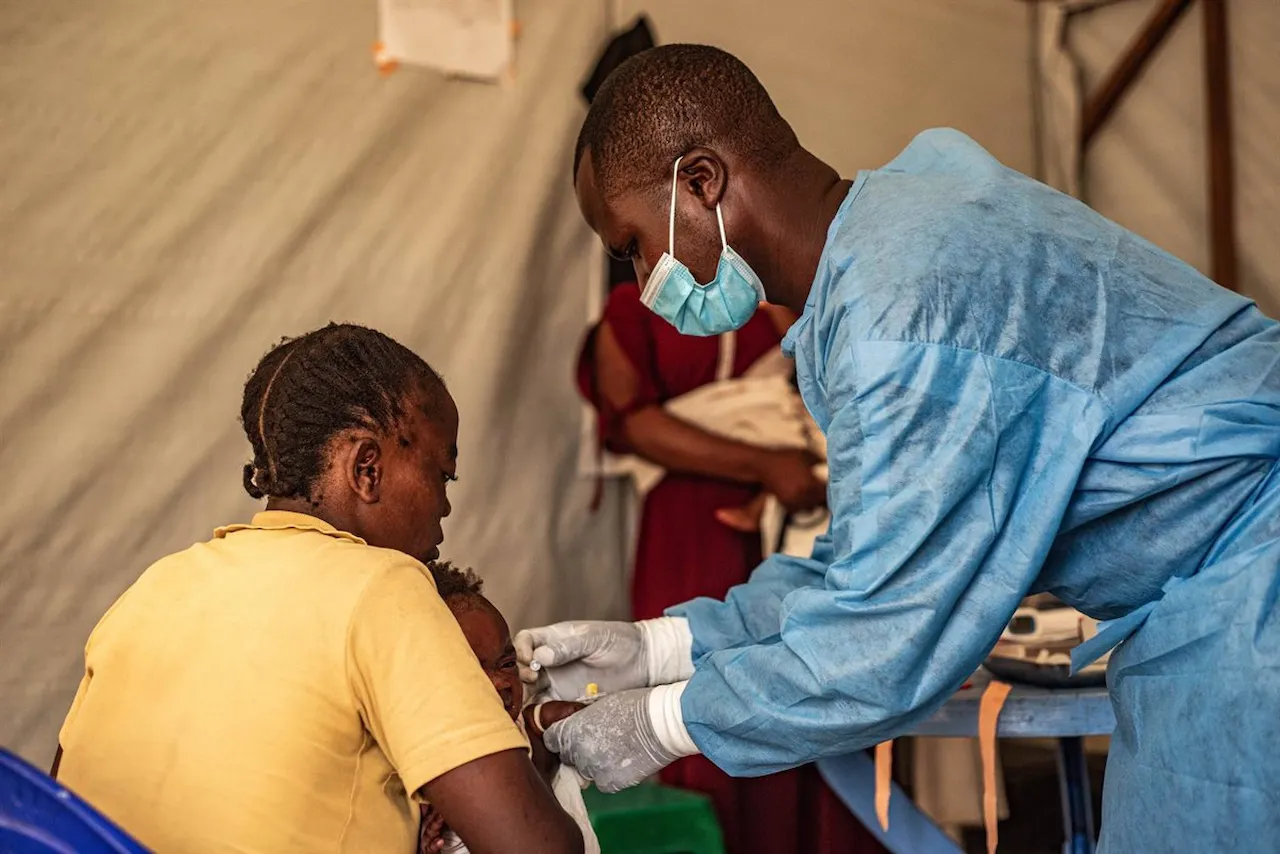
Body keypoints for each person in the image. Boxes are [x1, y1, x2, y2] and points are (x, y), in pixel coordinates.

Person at [517, 44, 1280, 852]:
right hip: (1217, 588)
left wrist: (663, 721)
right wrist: (661, 646)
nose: (643, 285)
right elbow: (867, 561)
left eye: (636, 246)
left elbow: (879, 640)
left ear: (701, 183)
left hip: (1249, 587)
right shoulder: (897, 236)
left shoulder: (902, 312)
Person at [55, 323, 583, 854]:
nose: (445, 505)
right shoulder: (383, 586)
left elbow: (64, 803)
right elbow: (536, 848)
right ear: (366, 468)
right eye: (442, 475)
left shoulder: (157, 584)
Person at [576, 285, 876, 853]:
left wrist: (796, 471)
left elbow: (825, 377)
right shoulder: (632, 307)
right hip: (695, 518)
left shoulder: (777, 289)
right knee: (701, 692)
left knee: (812, 675)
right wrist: (766, 463)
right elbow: (630, 422)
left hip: (795, 510)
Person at [421, 561, 591, 854]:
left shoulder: (515, 729)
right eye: (473, 671)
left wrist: (540, 721)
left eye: (507, 664)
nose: (501, 682)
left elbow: (531, 760)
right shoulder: (423, 762)